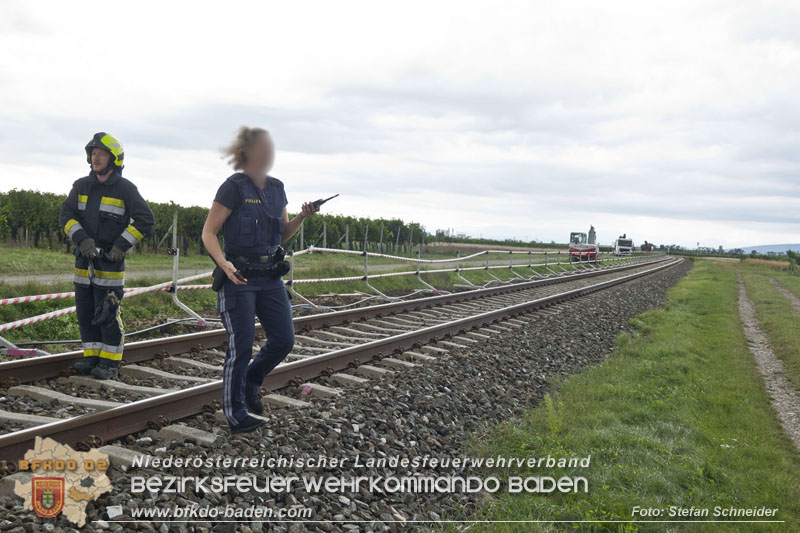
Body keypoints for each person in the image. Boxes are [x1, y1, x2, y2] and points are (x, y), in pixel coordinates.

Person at [201, 126, 318, 434]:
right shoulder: (233, 187)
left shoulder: (277, 188)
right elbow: (208, 232)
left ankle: (251, 382)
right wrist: (223, 264)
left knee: (284, 340)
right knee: (240, 347)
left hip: (270, 277)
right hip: (239, 277)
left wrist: (302, 217)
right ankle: (236, 414)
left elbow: (282, 234)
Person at [59, 132, 154, 380]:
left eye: (101, 154)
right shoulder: (81, 186)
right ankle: (92, 358)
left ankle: (110, 363)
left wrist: (121, 246)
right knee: (86, 312)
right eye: (93, 153)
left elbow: (146, 220)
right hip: (83, 262)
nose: (96, 158)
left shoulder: (125, 189)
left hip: (109, 264)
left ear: (114, 159)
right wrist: (83, 239)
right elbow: (66, 215)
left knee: (107, 312)